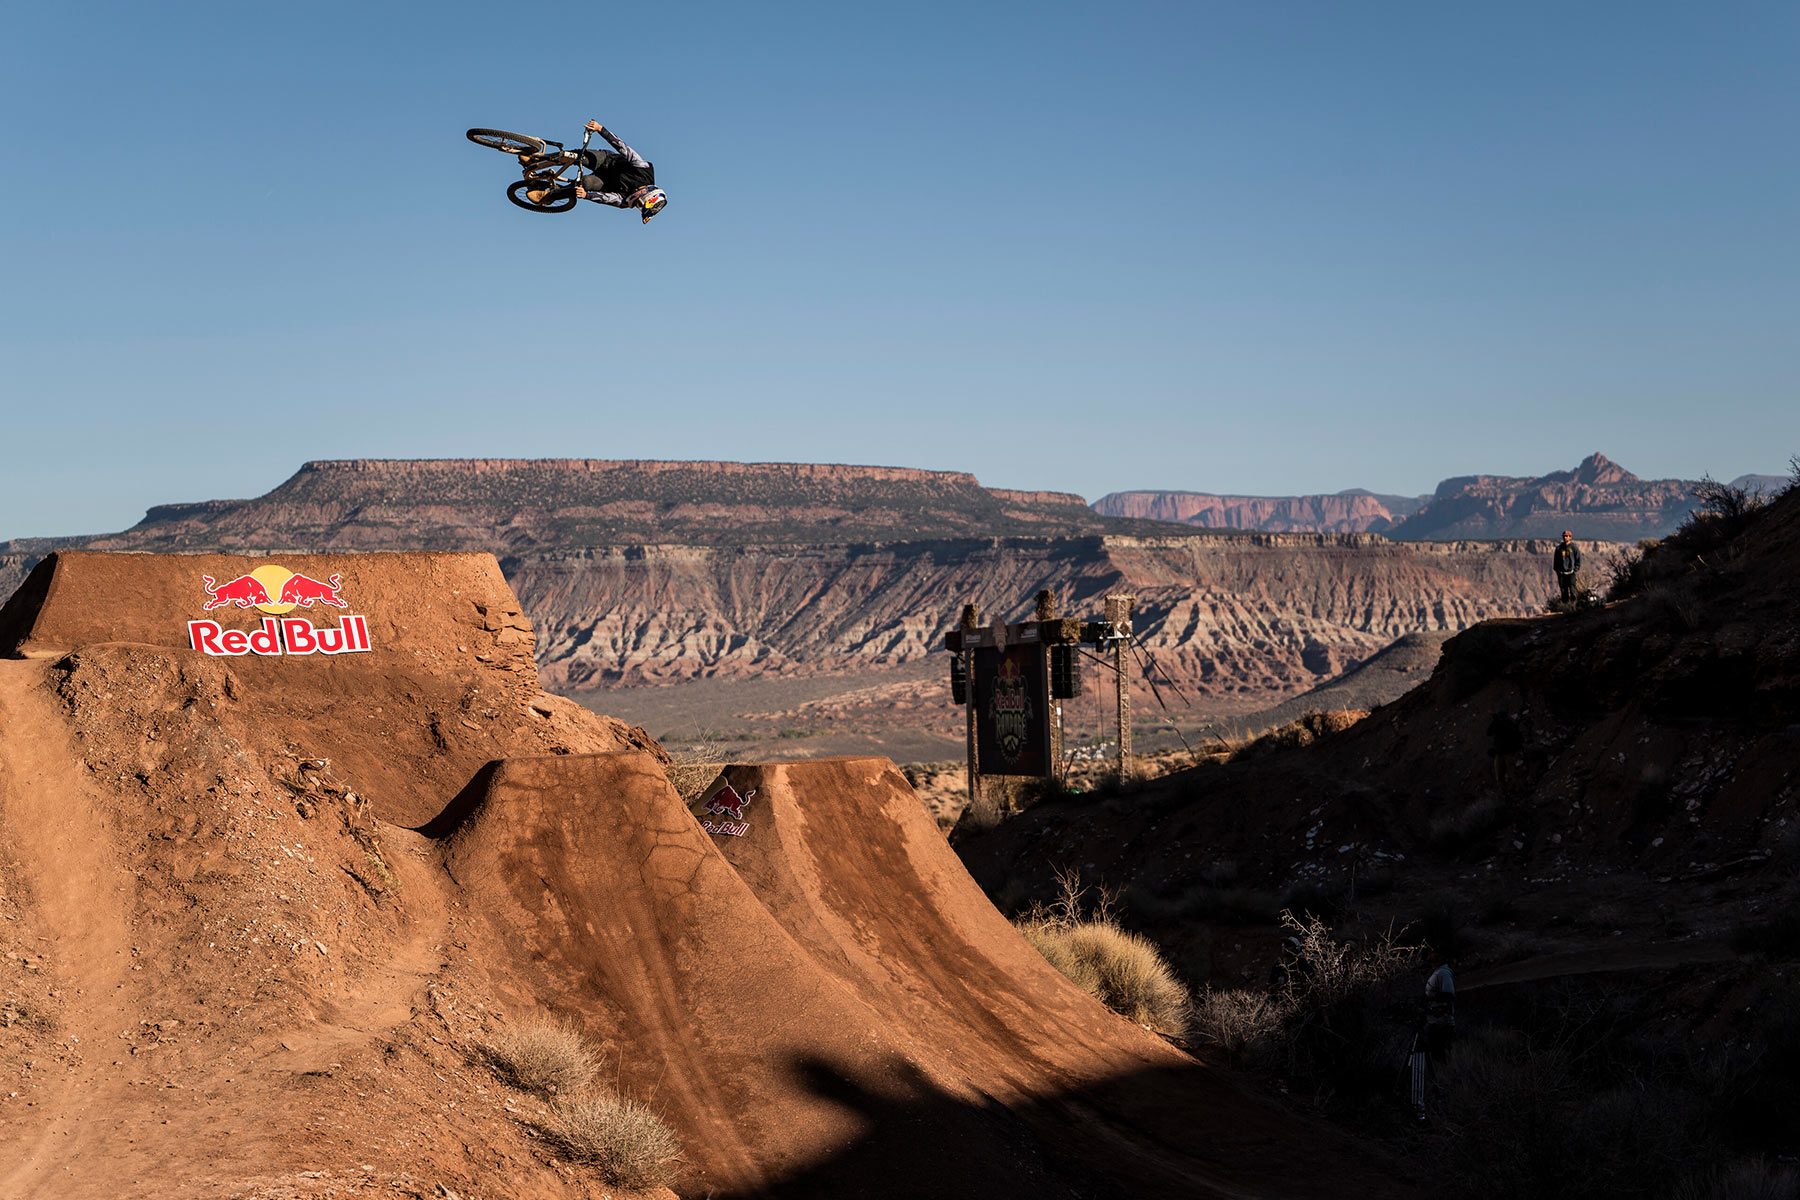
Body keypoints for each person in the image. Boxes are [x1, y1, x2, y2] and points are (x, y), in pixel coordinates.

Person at [527, 120, 667, 223]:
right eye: (641, 206)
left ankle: (548, 196)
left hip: (603, 182)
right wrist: (601, 129)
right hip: (607, 161)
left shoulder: (626, 201)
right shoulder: (644, 169)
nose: (637, 206)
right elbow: (623, 148)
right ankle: (536, 160)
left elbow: (605, 198)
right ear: (648, 197)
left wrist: (586, 195)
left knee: (584, 184)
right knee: (578, 156)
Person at [1410, 946, 1456, 1119]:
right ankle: (1437, 1100)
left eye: (1433, 952)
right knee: (1436, 1062)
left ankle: (1440, 1102)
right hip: (1435, 1023)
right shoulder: (1438, 973)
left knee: (1437, 1062)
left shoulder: (1443, 974)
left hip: (1440, 1025)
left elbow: (1448, 997)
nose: (1430, 955)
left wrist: (1430, 1001)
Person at [1486, 708, 1523, 793]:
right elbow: (1489, 732)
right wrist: (1495, 721)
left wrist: (1496, 720)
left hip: (1507, 752)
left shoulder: (1508, 723)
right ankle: (1506, 792)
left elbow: (1505, 731)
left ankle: (1513, 792)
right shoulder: (1501, 723)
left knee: (1511, 774)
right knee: (1501, 775)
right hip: (1500, 753)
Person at [1553, 530, 1582, 604]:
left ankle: (1574, 607)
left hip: (1571, 573)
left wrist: (1575, 569)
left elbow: (1578, 559)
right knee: (1563, 591)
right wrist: (1557, 571)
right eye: (1564, 536)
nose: (1565, 537)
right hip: (1561, 574)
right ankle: (1565, 608)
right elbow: (1556, 561)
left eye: (1566, 536)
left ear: (1570, 537)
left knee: (1573, 591)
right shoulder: (1559, 548)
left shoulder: (1574, 547)